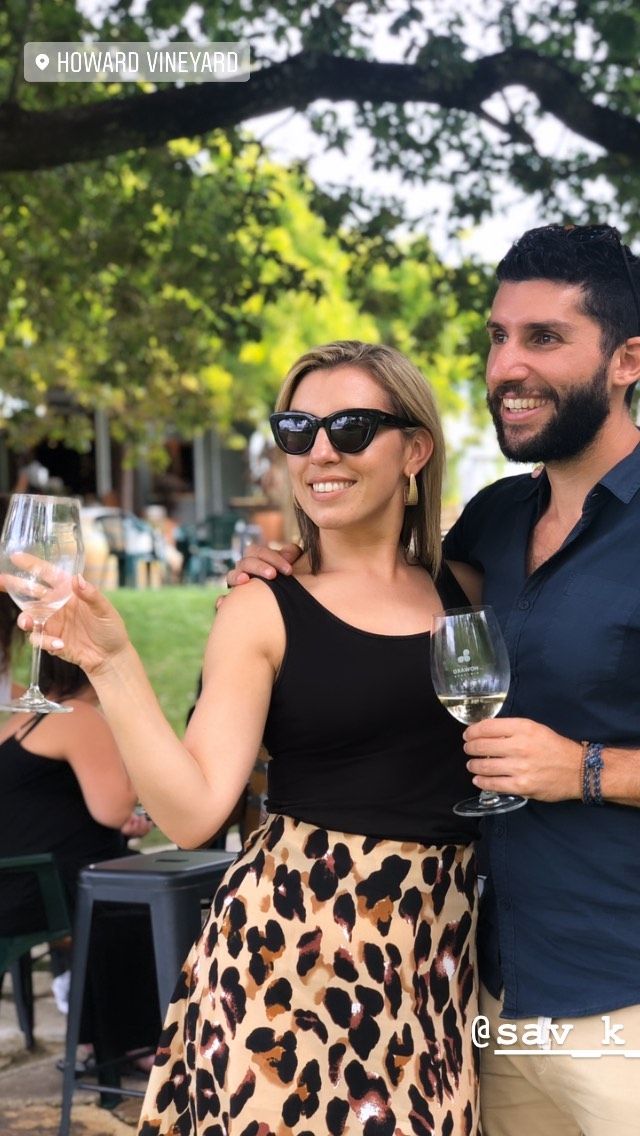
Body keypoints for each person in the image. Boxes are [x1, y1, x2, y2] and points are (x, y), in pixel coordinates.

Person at [229, 224, 640, 1136]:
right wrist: (292, 571)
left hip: (626, 996)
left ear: (628, 361)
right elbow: (384, 605)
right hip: (480, 998)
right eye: (498, 336)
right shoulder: (496, 520)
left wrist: (586, 769)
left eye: (544, 338)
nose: (507, 366)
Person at [21, 341, 484, 1135]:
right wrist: (111, 663)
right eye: (297, 429)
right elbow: (193, 811)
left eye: (350, 426)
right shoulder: (261, 609)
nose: (320, 452)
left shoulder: (466, 591)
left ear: (415, 449)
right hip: (290, 962)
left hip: (434, 966)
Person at [0, 652, 160, 1062]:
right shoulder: (79, 716)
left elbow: (45, 806)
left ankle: (93, 1035)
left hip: (16, 879)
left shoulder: (22, 719)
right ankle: (134, 1042)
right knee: (145, 895)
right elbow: (113, 810)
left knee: (122, 879)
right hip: (44, 890)